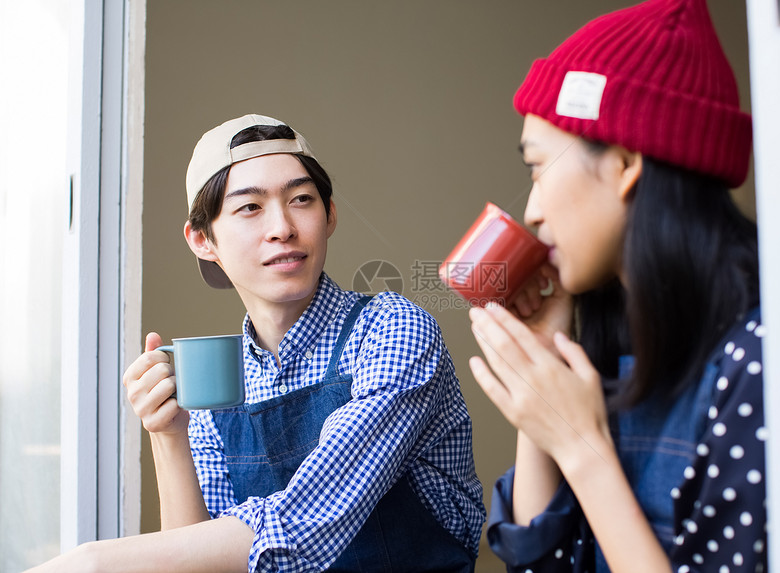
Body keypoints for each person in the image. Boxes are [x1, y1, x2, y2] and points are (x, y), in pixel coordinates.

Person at [26, 114, 485, 572]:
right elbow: (196, 561)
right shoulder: (217, 384)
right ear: (203, 239)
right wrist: (168, 434)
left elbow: (313, 512)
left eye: (301, 199)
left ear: (330, 216)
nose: (282, 227)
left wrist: (94, 560)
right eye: (250, 207)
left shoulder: (394, 329)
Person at [466, 0, 767, 571]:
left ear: (625, 164)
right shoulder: (621, 340)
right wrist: (549, 362)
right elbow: (541, 564)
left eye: (538, 167)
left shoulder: (756, 360)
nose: (530, 210)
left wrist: (582, 448)